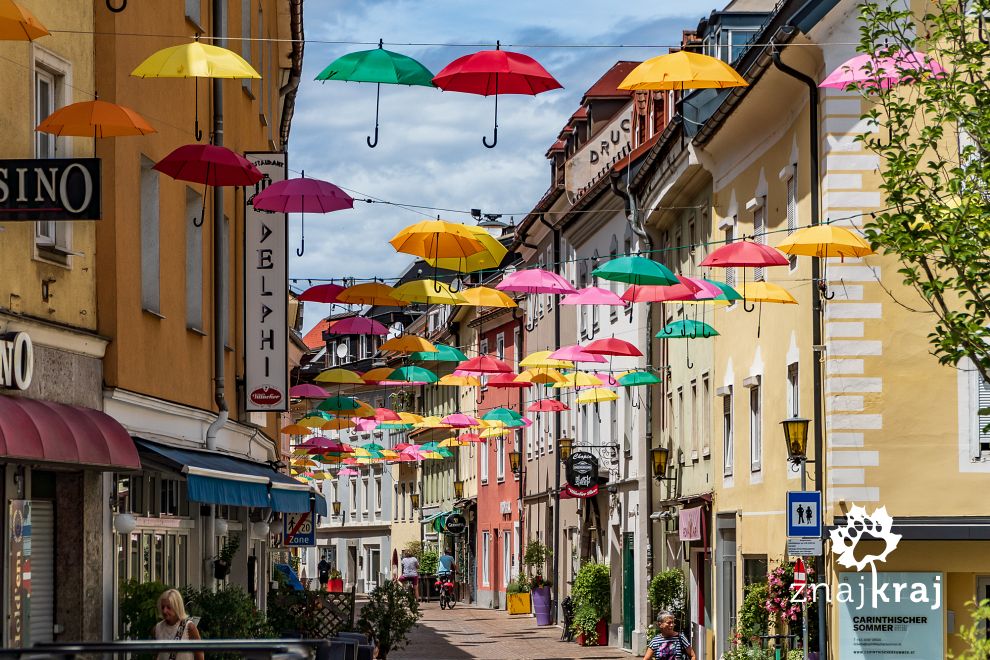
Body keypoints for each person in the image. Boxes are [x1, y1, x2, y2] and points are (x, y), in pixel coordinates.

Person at [153, 588, 204, 660]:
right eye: (163, 607)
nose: (164, 611)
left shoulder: (189, 627)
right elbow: (156, 655)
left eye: (168, 607)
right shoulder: (157, 628)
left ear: (177, 607)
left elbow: (200, 656)